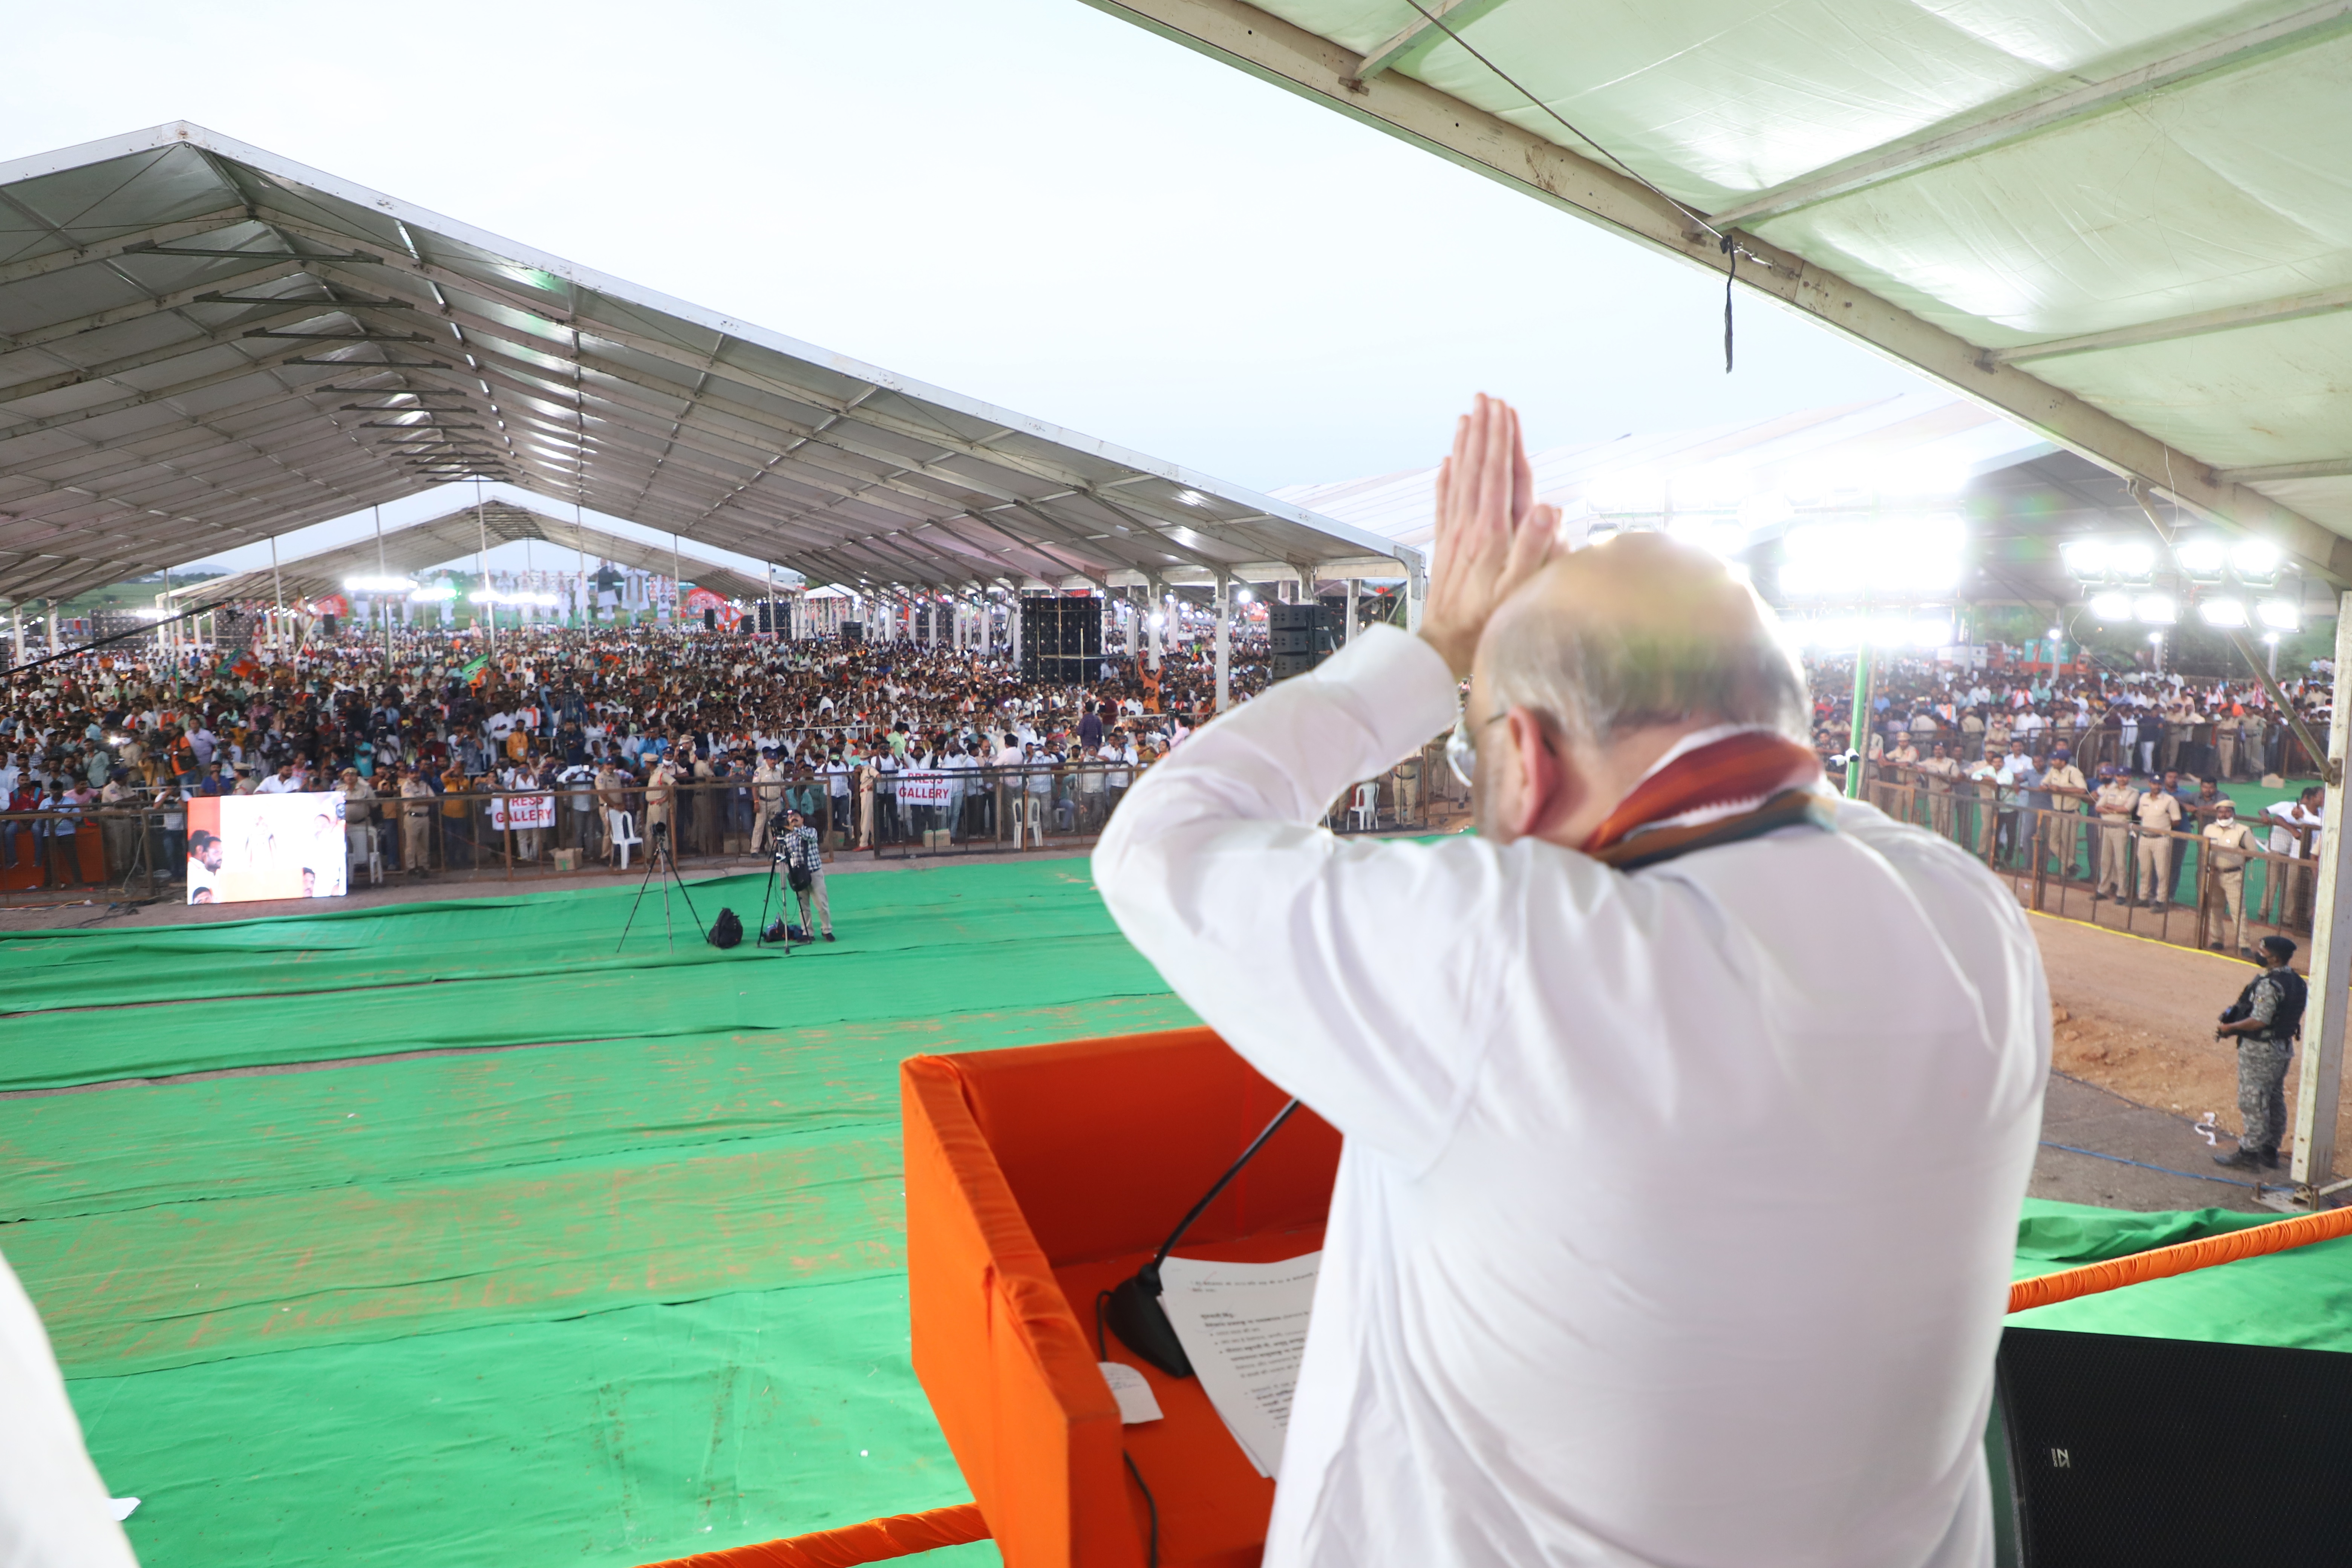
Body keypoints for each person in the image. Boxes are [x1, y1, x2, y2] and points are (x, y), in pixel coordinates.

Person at [1094, 396, 2045, 1568]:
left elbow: (1163, 842)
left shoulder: (1518, 955)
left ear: (1529, 763)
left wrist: (1434, 651)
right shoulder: (1967, 918)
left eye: (1477, 751)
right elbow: (1771, 800)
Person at [2215, 934, 2307, 1170]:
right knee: (2274, 1098)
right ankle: (2269, 1151)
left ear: (2274, 958)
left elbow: (2260, 1020)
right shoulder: (2296, 981)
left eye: (2263, 951)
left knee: (2253, 1100)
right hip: (2282, 1048)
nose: (2259, 953)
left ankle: (2249, 1154)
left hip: (2261, 1051)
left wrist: (2231, 1028)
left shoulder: (2270, 984)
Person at [2201, 798, 2259, 956]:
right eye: (2221, 812)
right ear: (2217, 813)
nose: (2224, 814)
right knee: (2214, 908)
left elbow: (2252, 853)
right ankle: (2217, 940)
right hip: (2213, 874)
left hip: (2233, 875)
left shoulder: (2243, 830)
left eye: (2228, 811)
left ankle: (2244, 944)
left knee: (2238, 910)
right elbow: (2204, 850)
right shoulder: (2209, 829)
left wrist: (2235, 863)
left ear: (2233, 813)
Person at [776, 806, 834, 942]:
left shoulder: (811, 831)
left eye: (796, 816)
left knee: (822, 904)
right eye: (790, 817)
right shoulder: (787, 837)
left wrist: (794, 829)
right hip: (798, 875)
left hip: (814, 872)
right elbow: (784, 855)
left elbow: (810, 838)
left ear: (802, 819)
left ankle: (827, 930)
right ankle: (807, 933)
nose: (793, 819)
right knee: (803, 907)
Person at [2133, 774, 2184, 908]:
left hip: (2161, 839)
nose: (2157, 787)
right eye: (2154, 784)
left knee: (2162, 872)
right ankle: (2143, 897)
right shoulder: (2144, 797)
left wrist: (2163, 826)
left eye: (2159, 784)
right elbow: (2141, 816)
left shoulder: (2170, 800)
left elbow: (2177, 821)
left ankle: (2162, 900)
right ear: (2150, 784)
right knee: (2145, 870)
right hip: (2145, 838)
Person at [2091, 767, 2139, 901]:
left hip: (2120, 829)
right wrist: (2116, 809)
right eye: (2119, 776)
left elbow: (2126, 809)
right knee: (2105, 861)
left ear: (2129, 778)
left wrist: (2110, 807)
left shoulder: (2133, 792)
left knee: (2120, 863)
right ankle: (2103, 890)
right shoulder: (2110, 790)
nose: (2122, 779)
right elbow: (2098, 807)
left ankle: (2122, 893)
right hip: (2106, 827)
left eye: (2124, 776)